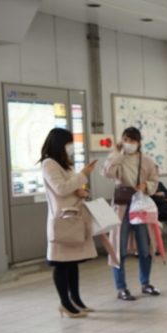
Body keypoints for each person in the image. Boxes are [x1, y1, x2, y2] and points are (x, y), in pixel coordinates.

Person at [40, 128, 97, 318]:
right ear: (60, 144)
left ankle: (76, 300)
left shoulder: (65, 164)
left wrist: (82, 191)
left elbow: (72, 188)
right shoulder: (49, 163)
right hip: (62, 220)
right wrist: (84, 174)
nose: (71, 147)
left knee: (72, 263)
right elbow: (61, 189)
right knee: (61, 263)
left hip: (74, 218)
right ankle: (65, 303)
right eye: (68, 143)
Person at [103, 127, 160, 301]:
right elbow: (107, 172)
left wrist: (146, 186)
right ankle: (121, 288)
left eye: (132, 140)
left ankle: (146, 283)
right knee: (118, 249)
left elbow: (154, 181)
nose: (129, 143)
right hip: (122, 207)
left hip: (140, 206)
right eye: (126, 140)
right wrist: (117, 153)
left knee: (145, 247)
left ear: (139, 142)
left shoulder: (147, 161)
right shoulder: (117, 158)